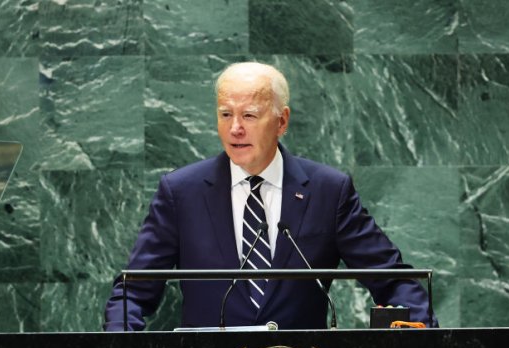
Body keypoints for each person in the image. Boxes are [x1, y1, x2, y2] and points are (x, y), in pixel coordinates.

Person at [104, 62, 437, 331]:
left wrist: (422, 334)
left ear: (282, 121)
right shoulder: (181, 192)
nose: (235, 128)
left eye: (249, 115)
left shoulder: (328, 191)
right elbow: (132, 293)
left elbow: (393, 280)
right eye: (225, 114)